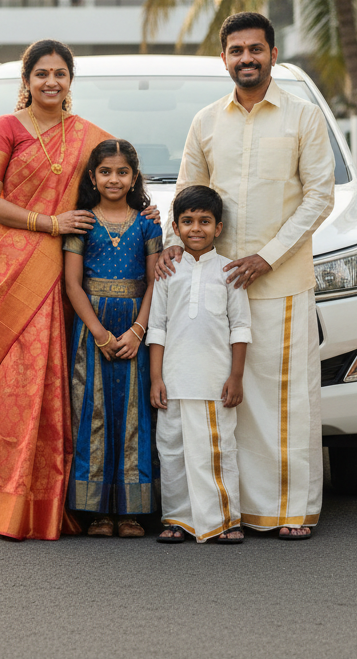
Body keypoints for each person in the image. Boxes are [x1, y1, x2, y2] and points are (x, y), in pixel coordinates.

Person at [155, 13, 335, 540]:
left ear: (273, 54)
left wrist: (268, 257)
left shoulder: (303, 118)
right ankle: (222, 511)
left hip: (280, 282)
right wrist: (172, 253)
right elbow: (189, 194)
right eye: (237, 51)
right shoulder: (206, 121)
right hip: (215, 287)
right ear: (225, 58)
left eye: (256, 49)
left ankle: (288, 511)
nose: (247, 59)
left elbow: (320, 196)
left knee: (283, 399)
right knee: (220, 398)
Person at [0, 39, 158, 541]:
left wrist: (150, 211)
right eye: (41, 74)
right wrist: (49, 222)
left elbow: (119, 178)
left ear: (70, 80)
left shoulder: (88, 137)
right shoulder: (5, 128)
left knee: (63, 385)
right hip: (15, 268)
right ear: (26, 80)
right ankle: (12, 504)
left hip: (69, 276)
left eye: (60, 74)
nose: (51, 82)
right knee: (17, 385)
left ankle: (63, 503)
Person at [62, 139, 162, 538]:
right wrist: (100, 334)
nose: (114, 179)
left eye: (122, 172)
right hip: (93, 329)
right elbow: (72, 284)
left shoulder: (148, 223)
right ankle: (98, 512)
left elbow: (157, 282)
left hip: (136, 326)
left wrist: (139, 330)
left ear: (134, 177)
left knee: (135, 412)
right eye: (106, 171)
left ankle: (132, 512)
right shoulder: (83, 222)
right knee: (93, 411)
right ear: (93, 176)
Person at [148, 185, 251, 544]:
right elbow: (157, 327)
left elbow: (240, 327)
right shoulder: (168, 271)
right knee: (172, 450)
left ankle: (226, 519)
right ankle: (178, 520)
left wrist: (236, 377)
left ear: (218, 228)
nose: (196, 228)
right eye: (188, 221)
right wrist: (156, 378)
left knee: (218, 450)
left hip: (214, 382)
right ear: (175, 227)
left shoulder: (229, 272)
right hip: (174, 382)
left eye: (204, 221)